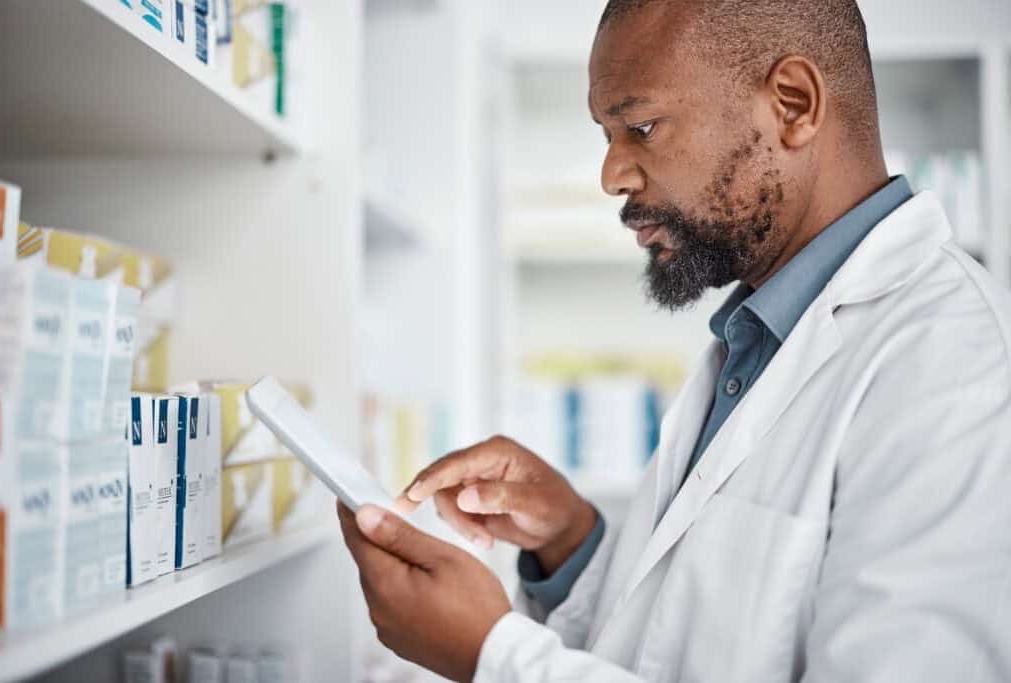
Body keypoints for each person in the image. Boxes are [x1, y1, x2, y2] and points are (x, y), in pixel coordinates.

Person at [338, 0, 1011, 680]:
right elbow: (701, 634)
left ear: (793, 104)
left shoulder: (959, 365)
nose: (612, 177)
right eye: (607, 136)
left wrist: (494, 655)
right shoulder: (757, 335)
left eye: (642, 126)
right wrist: (574, 547)